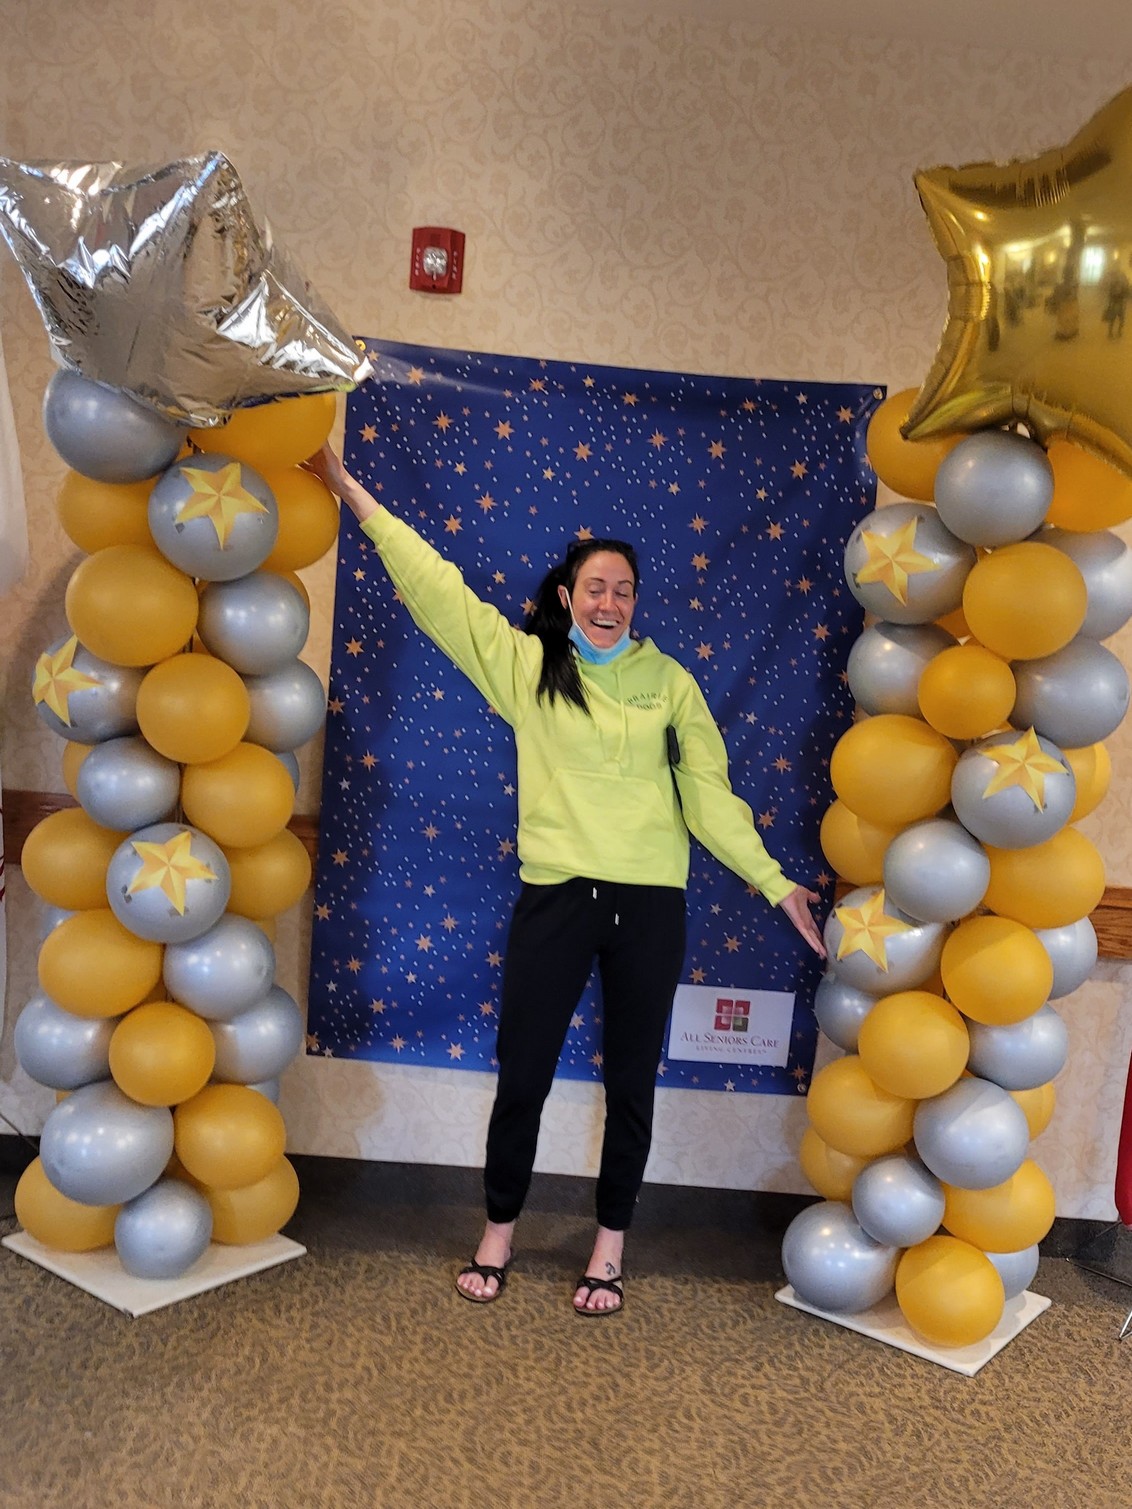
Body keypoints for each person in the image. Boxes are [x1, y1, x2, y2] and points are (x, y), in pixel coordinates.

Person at [306, 442, 826, 1316]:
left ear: (636, 601)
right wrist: (347, 487)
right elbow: (439, 592)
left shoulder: (670, 685)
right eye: (595, 588)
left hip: (650, 907)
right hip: (556, 901)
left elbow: (709, 798)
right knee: (525, 1073)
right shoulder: (528, 669)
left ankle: (609, 1245)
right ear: (566, 596)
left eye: (623, 590)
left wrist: (776, 883)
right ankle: (498, 1231)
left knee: (631, 1082)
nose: (609, 602)